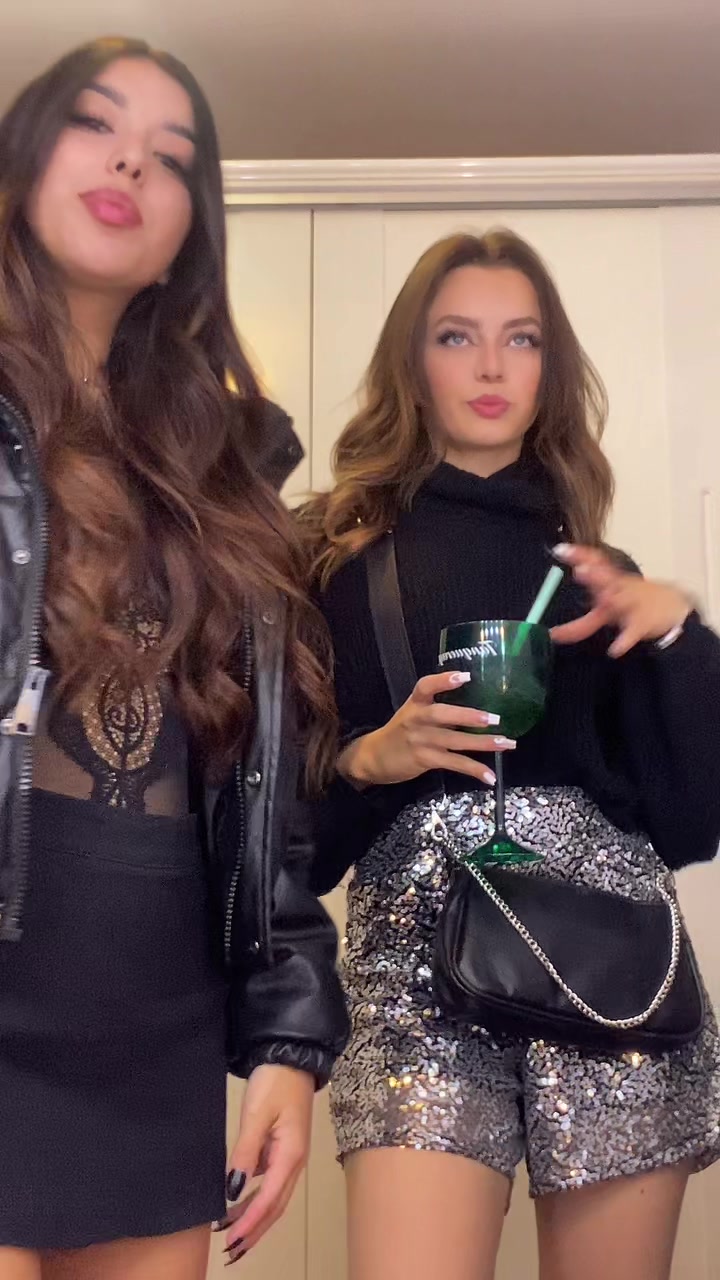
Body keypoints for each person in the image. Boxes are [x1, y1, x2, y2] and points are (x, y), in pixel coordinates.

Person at [300, 229, 720, 1280]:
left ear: (550, 366)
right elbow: (286, 849)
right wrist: (368, 761)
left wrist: (679, 637)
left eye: (520, 339)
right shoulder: (335, 561)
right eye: (457, 336)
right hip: (415, 979)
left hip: (609, 961)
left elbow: (691, 822)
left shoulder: (602, 573)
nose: (491, 366)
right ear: (412, 361)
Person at [0, 35, 348, 1280]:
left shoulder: (225, 470)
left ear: (187, 231)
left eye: (173, 154)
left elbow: (261, 783)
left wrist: (287, 1041)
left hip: (157, 1011)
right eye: (95, 123)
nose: (132, 161)